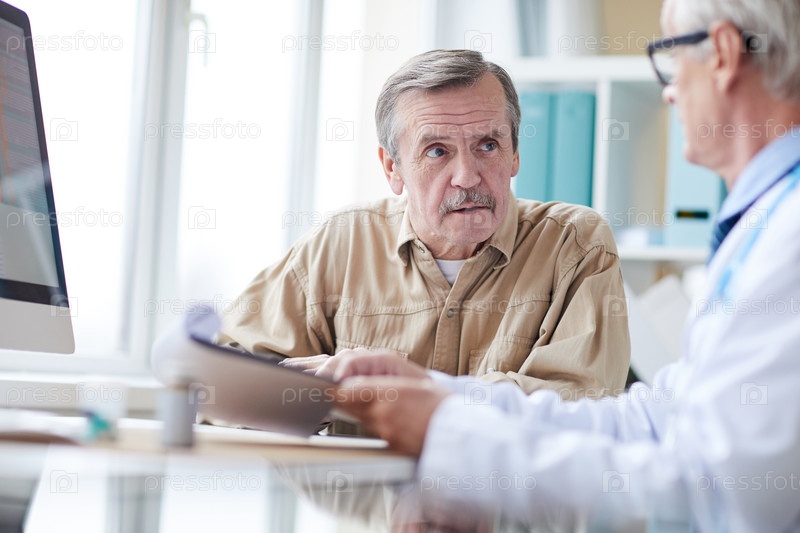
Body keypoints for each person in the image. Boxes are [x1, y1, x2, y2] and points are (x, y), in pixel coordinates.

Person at [331, 0, 800, 530]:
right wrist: (437, 394)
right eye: (437, 151)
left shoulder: (789, 237)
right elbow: (650, 422)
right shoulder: (770, 220)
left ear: (723, 54)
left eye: (671, 54)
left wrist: (446, 433)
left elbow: (714, 498)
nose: (669, 91)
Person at [219, 50, 630, 398]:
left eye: (488, 145)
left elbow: (579, 403)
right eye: (437, 151)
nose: (467, 176)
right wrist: (314, 396)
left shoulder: (576, 246)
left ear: (515, 154)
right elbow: (225, 377)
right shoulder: (342, 242)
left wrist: (405, 390)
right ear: (392, 168)